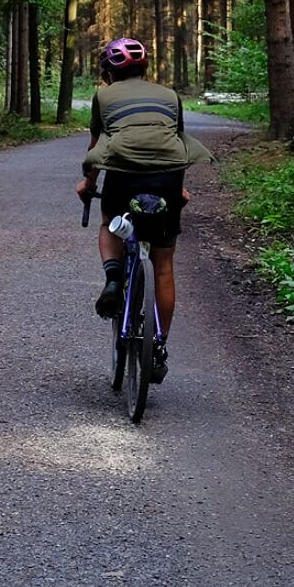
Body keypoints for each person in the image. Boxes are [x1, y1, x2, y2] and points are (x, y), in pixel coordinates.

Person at [74, 36, 211, 384]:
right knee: (163, 265)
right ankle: (158, 346)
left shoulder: (103, 96)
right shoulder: (170, 95)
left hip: (123, 175)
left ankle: (113, 278)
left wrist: (88, 184)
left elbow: (97, 145)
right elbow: (176, 141)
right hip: (167, 176)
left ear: (108, 72)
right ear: (144, 68)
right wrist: (176, 190)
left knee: (109, 222)